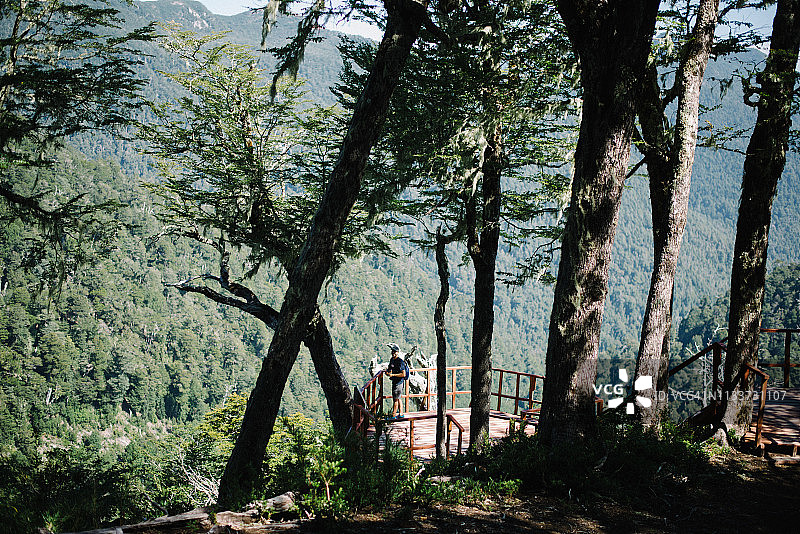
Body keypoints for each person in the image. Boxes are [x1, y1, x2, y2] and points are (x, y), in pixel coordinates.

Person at [385, 343, 408, 419]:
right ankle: (401, 414)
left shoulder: (400, 362)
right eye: (392, 351)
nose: (393, 353)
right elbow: (389, 368)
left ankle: (393, 415)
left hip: (399, 383)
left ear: (398, 352)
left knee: (395, 399)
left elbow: (403, 374)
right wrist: (387, 372)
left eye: (394, 352)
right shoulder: (392, 360)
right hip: (395, 382)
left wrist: (393, 375)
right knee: (398, 398)